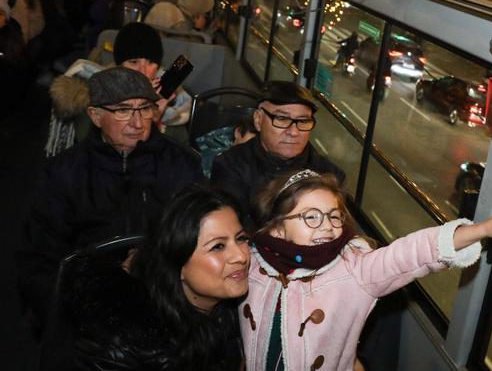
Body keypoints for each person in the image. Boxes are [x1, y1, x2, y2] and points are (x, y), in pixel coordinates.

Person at [241, 170, 492, 370]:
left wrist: (481, 230)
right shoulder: (251, 262)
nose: (327, 226)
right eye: (311, 217)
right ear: (278, 228)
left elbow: (411, 253)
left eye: (333, 216)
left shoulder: (355, 270)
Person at [17, 66, 202, 326]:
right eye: (123, 110)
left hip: (165, 303)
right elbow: (40, 258)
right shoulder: (64, 174)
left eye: (145, 108)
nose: (137, 123)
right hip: (87, 306)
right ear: (95, 115)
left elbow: (199, 242)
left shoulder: (183, 165)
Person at [58, 184, 250, 370]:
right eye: (218, 246)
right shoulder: (127, 342)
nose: (241, 256)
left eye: (241, 238)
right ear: (177, 262)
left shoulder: (236, 309)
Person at [45, 22, 191, 156]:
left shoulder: (171, 104)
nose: (143, 72)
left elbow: (178, 155)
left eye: (151, 62)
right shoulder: (94, 98)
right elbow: (110, 160)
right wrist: (151, 116)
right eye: (134, 62)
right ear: (119, 66)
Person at [211, 81, 344, 221]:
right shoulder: (230, 166)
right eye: (282, 119)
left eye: (303, 121)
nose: (293, 132)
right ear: (258, 120)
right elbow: (231, 228)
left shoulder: (330, 175)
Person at [145, 0, 214, 32]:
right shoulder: (179, 20)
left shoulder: (165, 7)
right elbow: (184, 47)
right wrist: (197, 29)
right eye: (203, 12)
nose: (204, 15)